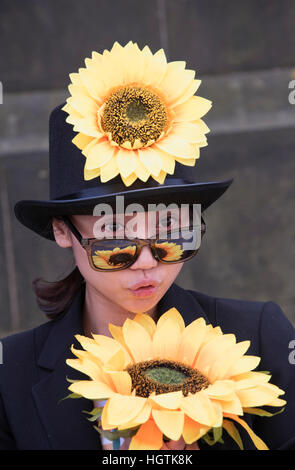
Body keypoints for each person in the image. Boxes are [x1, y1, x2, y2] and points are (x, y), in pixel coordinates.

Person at [1, 42, 294, 451]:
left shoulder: (261, 338)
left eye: (171, 234)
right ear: (62, 231)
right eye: (115, 241)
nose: (145, 264)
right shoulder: (9, 373)